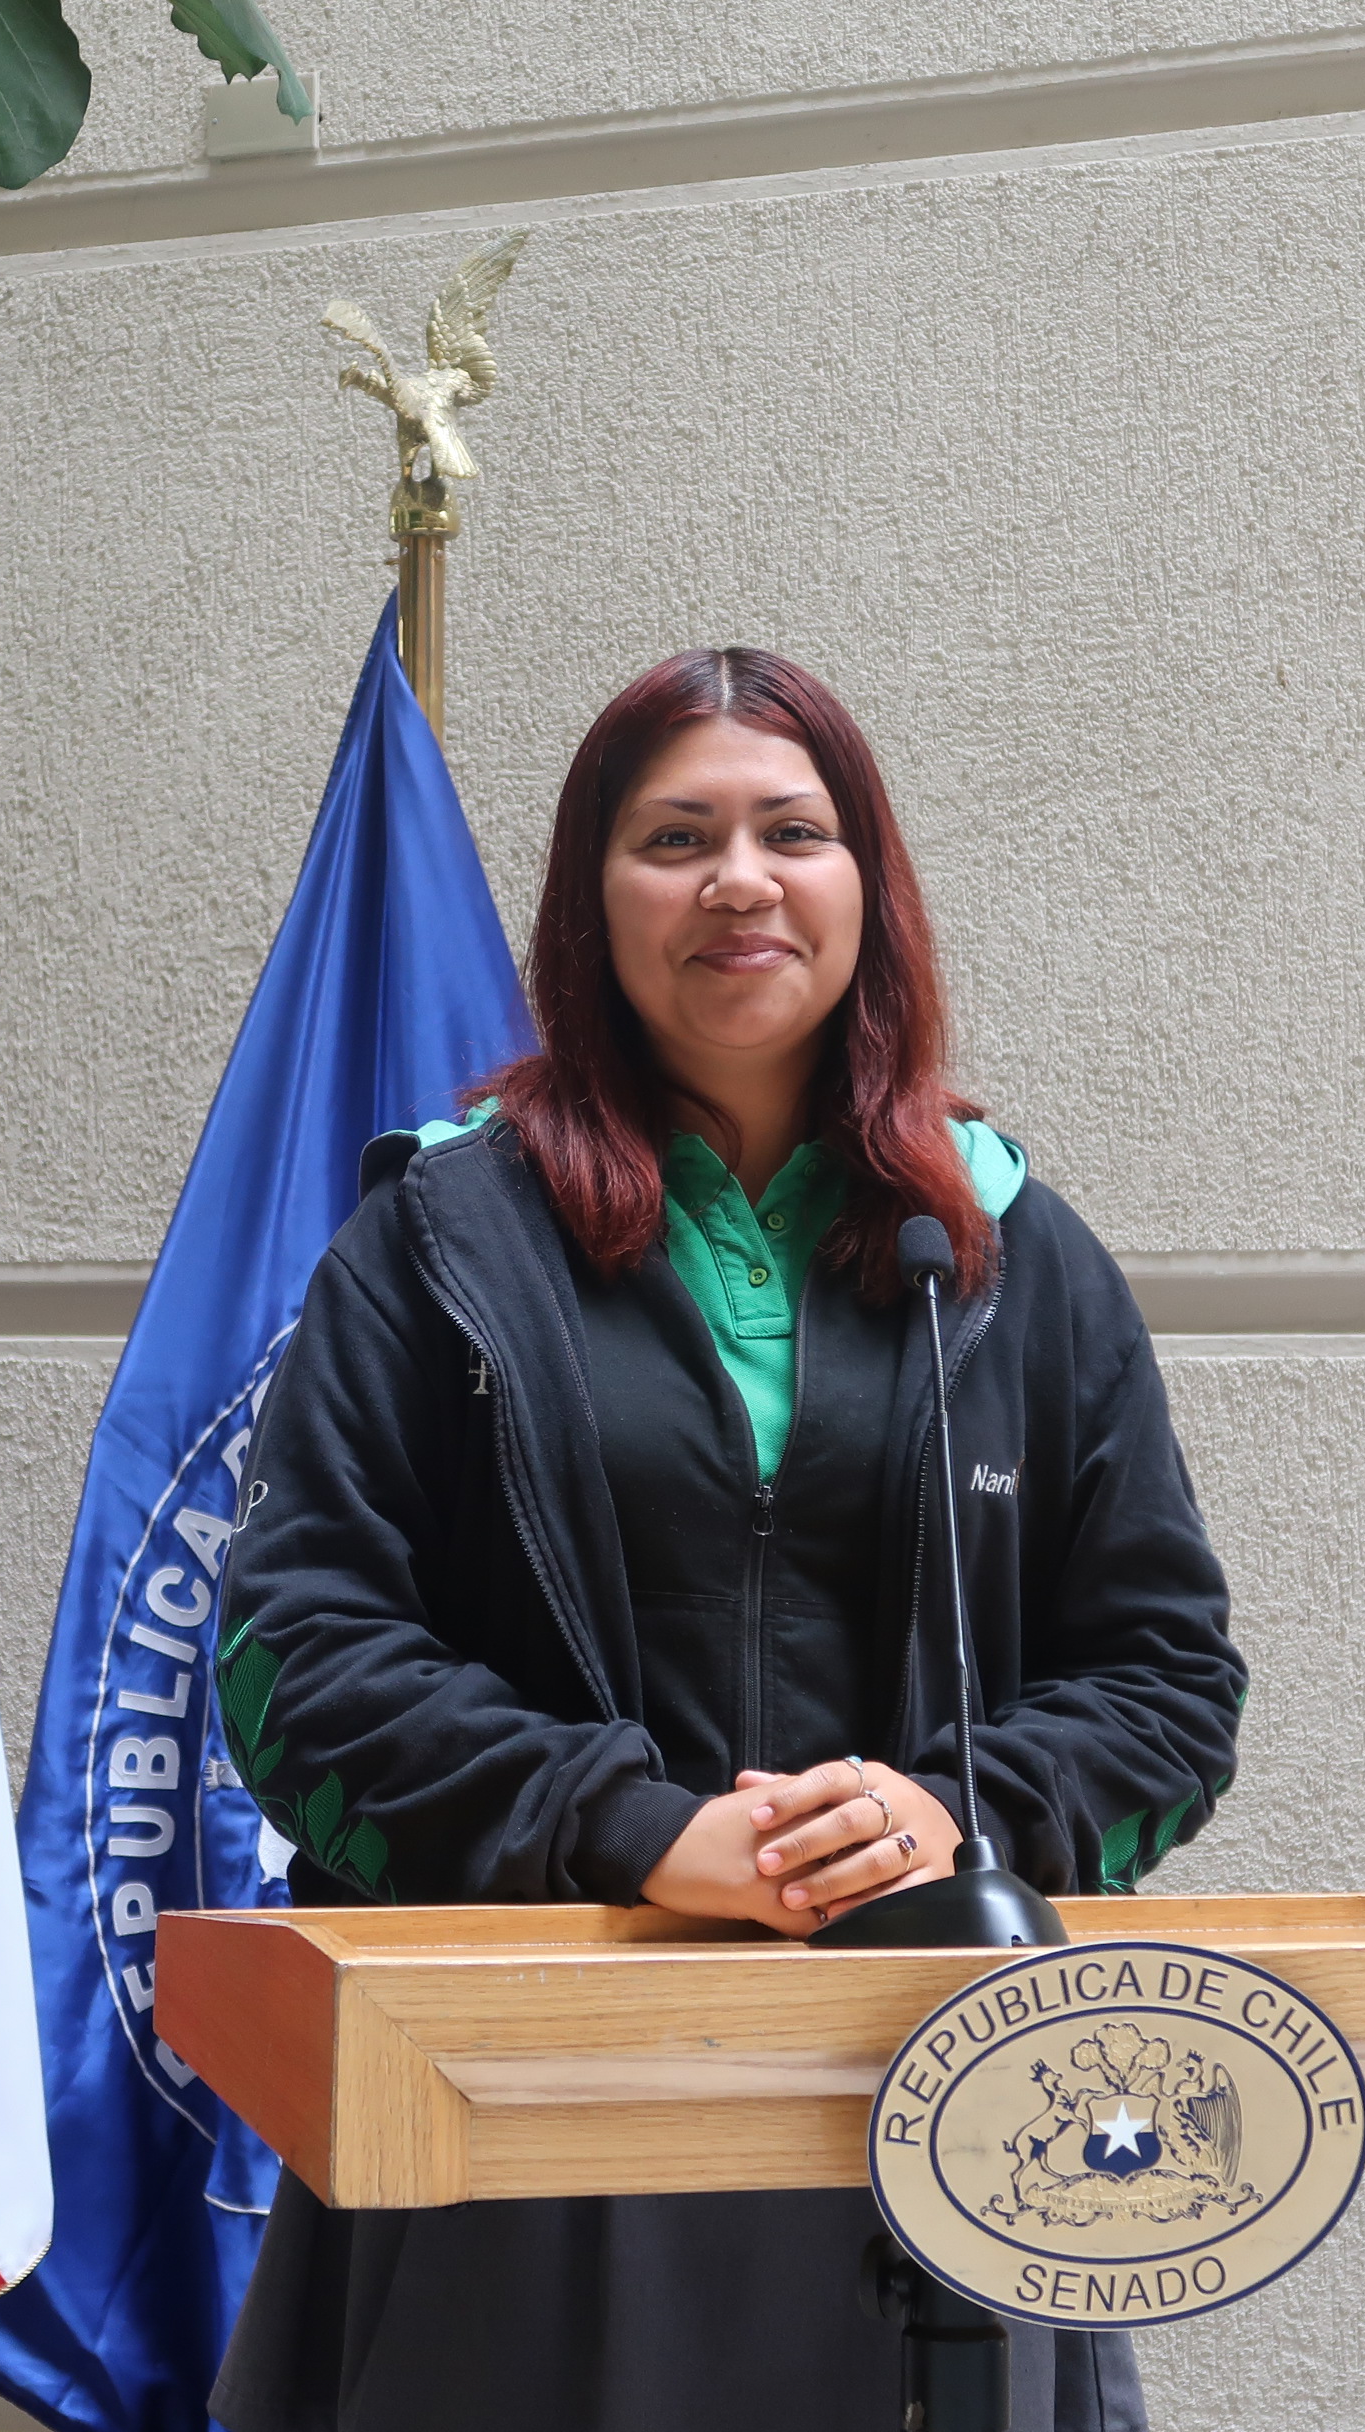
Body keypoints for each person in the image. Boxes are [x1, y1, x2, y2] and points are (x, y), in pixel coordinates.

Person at [205, 647, 1246, 2432]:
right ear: (591, 898)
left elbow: (1169, 1686)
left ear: (868, 887)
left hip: (948, 2108)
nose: (739, 882)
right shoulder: (444, 1239)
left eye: (792, 832)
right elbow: (294, 1665)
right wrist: (636, 1832)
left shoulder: (1007, 1254)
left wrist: (955, 1814)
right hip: (531, 2126)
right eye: (675, 838)